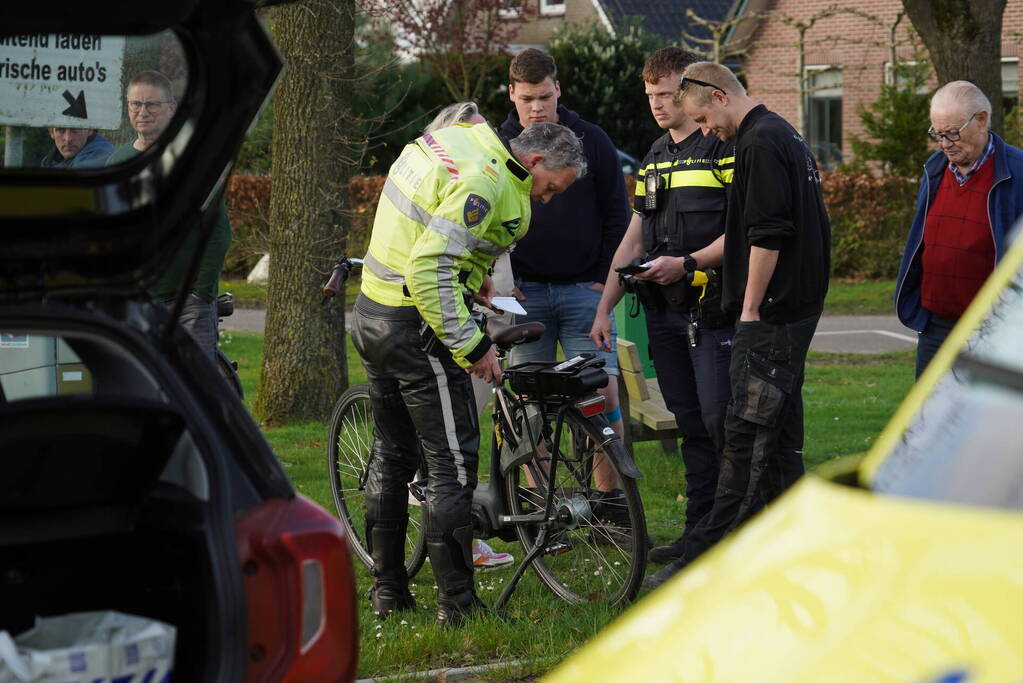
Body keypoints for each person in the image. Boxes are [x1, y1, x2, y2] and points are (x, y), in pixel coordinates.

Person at [353, 119, 586, 626]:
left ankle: (388, 593)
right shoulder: (486, 182)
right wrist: (474, 345)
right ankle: (456, 605)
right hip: (416, 328)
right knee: (451, 467)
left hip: (373, 311)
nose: (545, 200)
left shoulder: (461, 140)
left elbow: (429, 235)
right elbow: (428, 267)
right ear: (538, 161)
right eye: (549, 189)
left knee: (392, 454)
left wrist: (471, 282)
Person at [645, 61, 831, 588]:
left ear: (720, 96)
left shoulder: (758, 143)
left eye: (704, 119)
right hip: (793, 309)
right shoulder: (783, 133)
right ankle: (795, 549)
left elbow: (767, 235)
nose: (707, 132)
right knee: (780, 441)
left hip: (771, 314)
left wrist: (749, 308)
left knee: (745, 440)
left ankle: (706, 560)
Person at [589, 47, 734, 566]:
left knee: (721, 422)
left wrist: (689, 263)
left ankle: (732, 532)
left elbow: (744, 232)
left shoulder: (721, 144)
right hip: (663, 312)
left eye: (666, 93)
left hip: (713, 310)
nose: (657, 104)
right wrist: (605, 306)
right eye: (649, 95)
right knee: (691, 423)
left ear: (690, 90)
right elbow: (634, 235)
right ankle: (699, 535)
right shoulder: (653, 155)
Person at [499, 48, 631, 519]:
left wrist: (603, 279)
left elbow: (618, 214)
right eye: (528, 98)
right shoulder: (499, 146)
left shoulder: (590, 139)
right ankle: (544, 502)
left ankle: (609, 500)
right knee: (524, 401)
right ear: (512, 93)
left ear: (559, 91)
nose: (538, 107)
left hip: (583, 289)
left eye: (546, 96)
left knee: (601, 392)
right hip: (522, 294)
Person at [422, 101, 515, 572]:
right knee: (450, 447)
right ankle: (456, 554)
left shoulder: (486, 180)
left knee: (459, 438)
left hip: (470, 316)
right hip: (428, 324)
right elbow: (433, 264)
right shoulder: (463, 181)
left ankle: (452, 544)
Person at [895, 80, 1023, 377]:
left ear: (981, 120)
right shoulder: (935, 168)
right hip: (936, 328)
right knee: (926, 421)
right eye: (937, 134)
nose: (944, 143)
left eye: (952, 132)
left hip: (995, 333)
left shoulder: (1018, 173)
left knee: (990, 422)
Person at [109, 71, 231, 355]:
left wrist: (200, 293)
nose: (143, 112)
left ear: (171, 108)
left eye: (152, 104)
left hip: (187, 304)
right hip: (135, 301)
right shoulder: (117, 161)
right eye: (135, 104)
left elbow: (218, 233)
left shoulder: (195, 160)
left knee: (194, 388)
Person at [40, 127, 113, 169]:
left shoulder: (101, 154)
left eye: (75, 129)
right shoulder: (50, 160)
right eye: (61, 130)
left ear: (90, 129)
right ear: (51, 132)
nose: (68, 139)